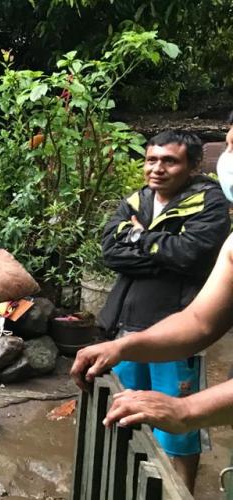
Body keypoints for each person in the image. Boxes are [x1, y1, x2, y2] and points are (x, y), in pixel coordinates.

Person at [71, 129, 231, 493]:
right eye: (151, 160)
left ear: (191, 166)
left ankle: (182, 491)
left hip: (177, 330)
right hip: (126, 326)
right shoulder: (138, 199)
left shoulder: (210, 203)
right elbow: (110, 251)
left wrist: (140, 238)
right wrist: (162, 251)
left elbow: (191, 256)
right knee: (125, 410)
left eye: (169, 161)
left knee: (178, 427)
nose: (157, 169)